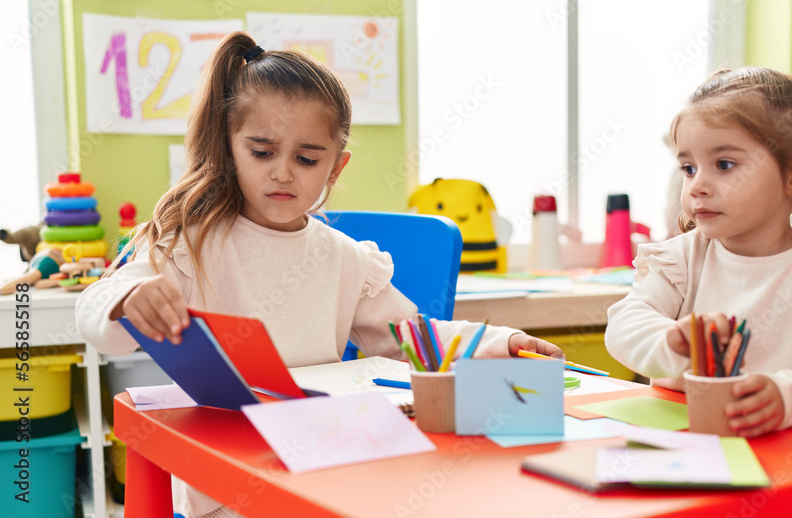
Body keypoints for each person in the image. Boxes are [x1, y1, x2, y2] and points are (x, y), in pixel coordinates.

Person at [76, 32, 562, 518]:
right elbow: (104, 325)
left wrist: (502, 342)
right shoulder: (190, 242)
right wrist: (127, 299)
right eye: (262, 152)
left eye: (307, 159)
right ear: (229, 147)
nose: (284, 173)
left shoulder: (346, 258)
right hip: (224, 481)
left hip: (323, 460)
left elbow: (413, 340)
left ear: (335, 167)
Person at [605, 67, 792, 438]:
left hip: (780, 456)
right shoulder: (680, 260)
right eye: (688, 168)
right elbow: (623, 326)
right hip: (674, 444)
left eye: (724, 164)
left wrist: (786, 398)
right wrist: (670, 339)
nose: (697, 185)